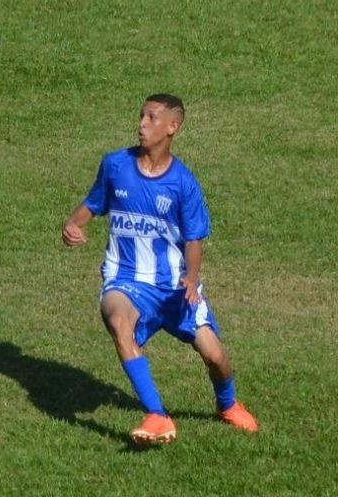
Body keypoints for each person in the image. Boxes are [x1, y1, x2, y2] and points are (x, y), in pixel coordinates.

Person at [62, 94, 258, 444]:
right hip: (125, 280)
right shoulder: (115, 165)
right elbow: (93, 203)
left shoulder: (183, 183)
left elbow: (194, 238)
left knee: (215, 357)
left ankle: (227, 405)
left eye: (151, 118)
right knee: (119, 322)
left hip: (174, 287)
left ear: (172, 127)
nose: (141, 124)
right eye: (141, 115)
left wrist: (192, 279)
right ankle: (156, 414)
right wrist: (72, 225)